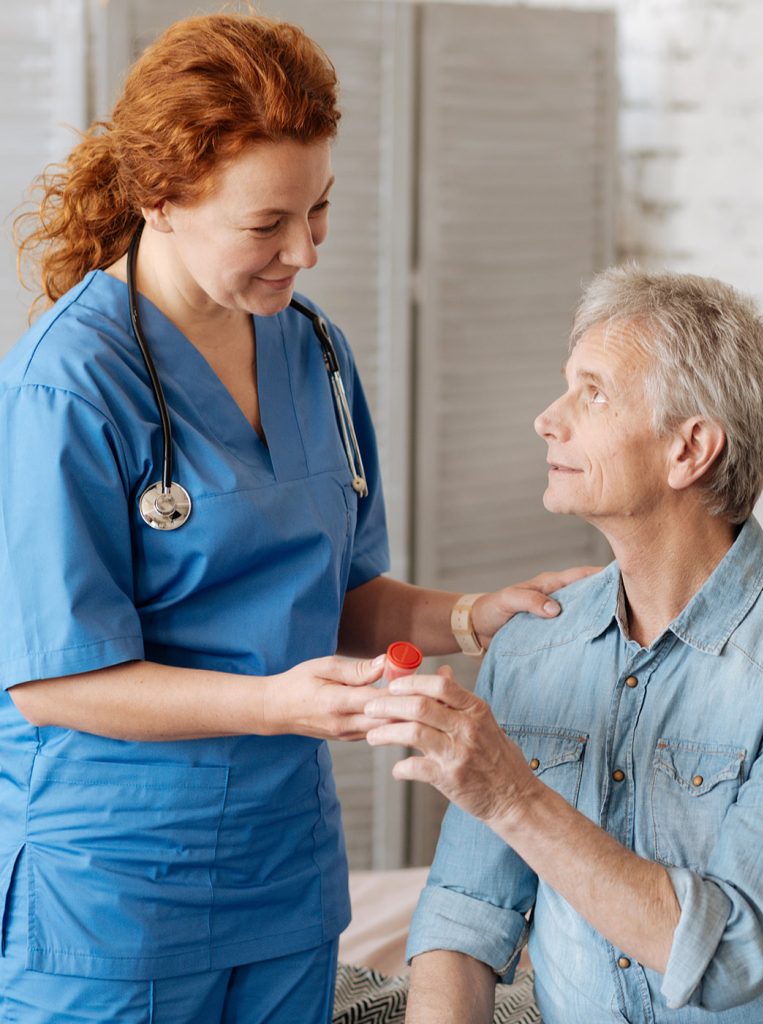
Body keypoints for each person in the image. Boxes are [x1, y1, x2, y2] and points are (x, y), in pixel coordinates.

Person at [0, 13, 593, 1023]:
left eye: (319, 211)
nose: (305, 252)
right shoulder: (67, 386)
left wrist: (470, 615)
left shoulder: (311, 349)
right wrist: (281, 703)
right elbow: (57, 682)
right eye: (267, 224)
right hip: (115, 887)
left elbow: (343, 598)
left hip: (283, 871)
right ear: (160, 199)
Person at [365, 267, 763, 1022]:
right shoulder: (533, 645)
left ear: (690, 449)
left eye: (593, 392)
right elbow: (463, 923)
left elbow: (733, 951)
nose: (548, 418)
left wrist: (513, 795)